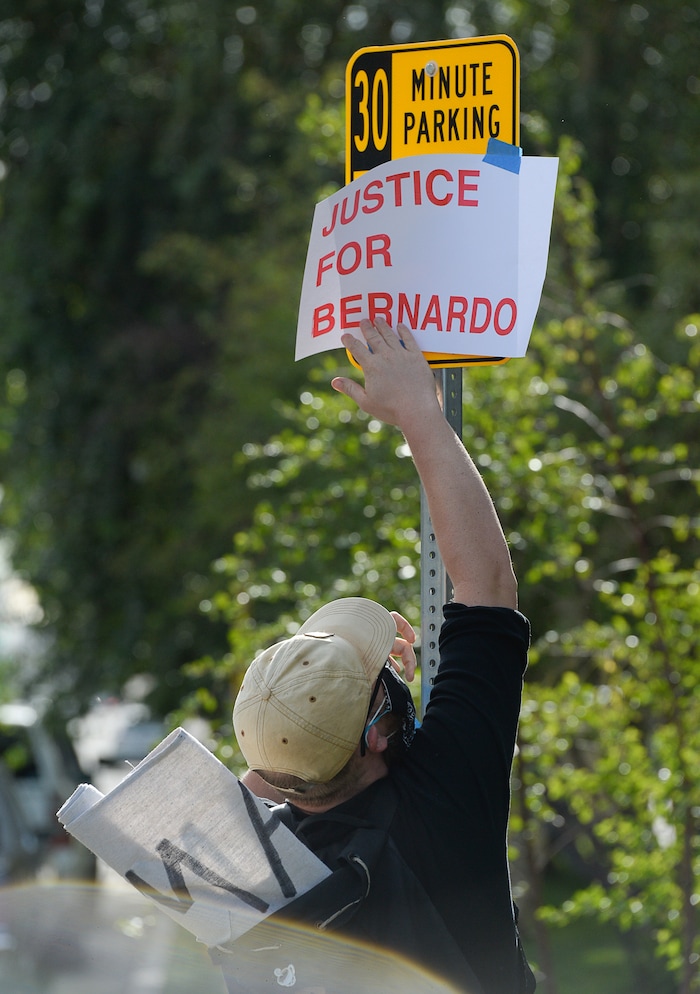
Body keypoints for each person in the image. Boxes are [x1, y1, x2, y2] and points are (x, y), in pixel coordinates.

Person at [231, 317, 534, 994]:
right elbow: (486, 587)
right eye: (380, 680)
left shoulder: (253, 872)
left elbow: (259, 782)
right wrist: (418, 414)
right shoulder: (444, 797)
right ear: (377, 733)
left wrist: (371, 700)